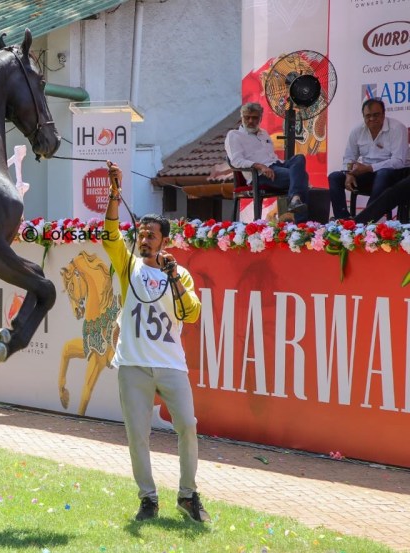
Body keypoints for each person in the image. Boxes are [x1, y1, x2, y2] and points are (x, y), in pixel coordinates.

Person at [102, 161, 209, 524]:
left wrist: (173, 277)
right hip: (132, 364)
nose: (144, 239)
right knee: (138, 435)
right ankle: (148, 499)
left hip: (170, 364)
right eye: (142, 234)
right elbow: (109, 234)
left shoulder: (179, 274)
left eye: (151, 235)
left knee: (187, 426)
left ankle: (188, 494)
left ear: (165, 240)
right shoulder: (127, 264)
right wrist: (115, 194)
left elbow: (192, 314)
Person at [225, 102, 310, 221]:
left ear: (260, 118)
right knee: (302, 176)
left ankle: (295, 198)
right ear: (242, 117)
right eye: (247, 117)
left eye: (254, 118)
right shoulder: (234, 135)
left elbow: (271, 157)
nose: (250, 121)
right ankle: (300, 219)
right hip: (260, 174)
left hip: (276, 165)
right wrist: (260, 166)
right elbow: (236, 161)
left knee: (299, 158)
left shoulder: (263, 133)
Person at [328, 98, 409, 220]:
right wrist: (349, 173)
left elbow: (398, 161)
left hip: (395, 175)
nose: (372, 119)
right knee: (335, 177)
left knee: (383, 173)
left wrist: (369, 168)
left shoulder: (397, 128)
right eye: (368, 116)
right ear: (363, 116)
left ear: (383, 114)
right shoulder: (357, 131)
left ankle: (366, 220)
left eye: (376, 115)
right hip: (368, 173)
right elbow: (349, 157)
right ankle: (343, 220)